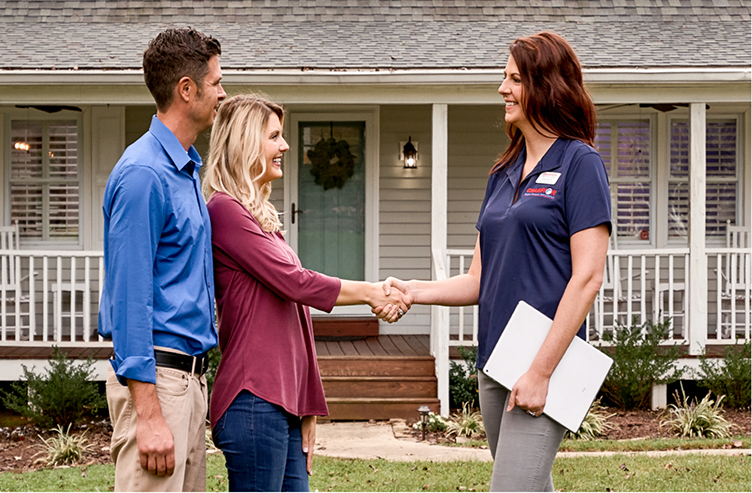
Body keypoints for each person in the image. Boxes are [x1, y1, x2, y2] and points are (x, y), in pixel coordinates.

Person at [375, 32, 611, 491]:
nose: (502, 88)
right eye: (504, 78)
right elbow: (477, 280)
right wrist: (413, 290)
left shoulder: (581, 164)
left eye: (515, 79)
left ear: (547, 86)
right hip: (496, 361)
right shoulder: (504, 172)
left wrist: (541, 371)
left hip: (546, 362)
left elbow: (587, 277)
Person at [202, 94, 409, 492]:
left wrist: (307, 403)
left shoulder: (260, 220)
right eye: (275, 136)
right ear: (246, 143)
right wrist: (371, 293)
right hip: (253, 400)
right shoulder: (224, 212)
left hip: (282, 402)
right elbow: (296, 283)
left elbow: (293, 320)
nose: (284, 146)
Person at [99, 28, 226, 492]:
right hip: (159, 384)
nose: (222, 92)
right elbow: (130, 299)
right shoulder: (144, 174)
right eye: (216, 82)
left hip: (188, 380)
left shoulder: (185, 167)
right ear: (186, 90)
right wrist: (149, 415)